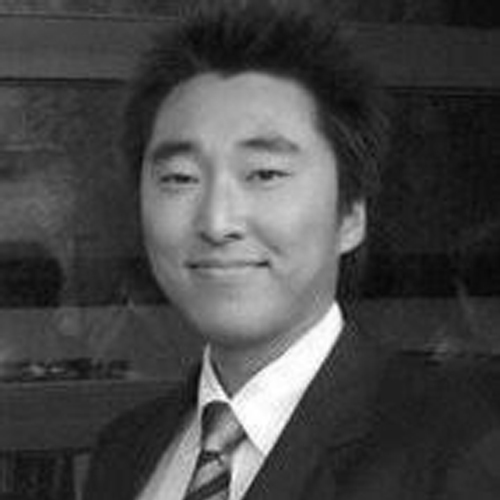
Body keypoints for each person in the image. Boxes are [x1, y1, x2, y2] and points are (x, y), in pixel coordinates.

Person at [83, 1, 500, 499]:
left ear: (350, 215)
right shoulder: (124, 450)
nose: (217, 222)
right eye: (179, 178)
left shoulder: (462, 452)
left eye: (264, 174)